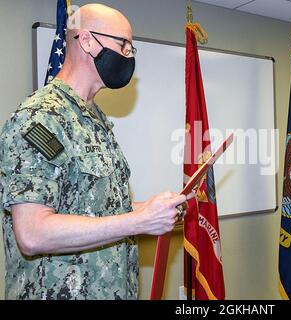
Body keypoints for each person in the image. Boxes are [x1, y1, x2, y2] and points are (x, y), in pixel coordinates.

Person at [0, 4, 192, 300]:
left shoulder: (94, 118)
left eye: (131, 48)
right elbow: (32, 233)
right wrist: (139, 221)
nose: (129, 55)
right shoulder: (40, 117)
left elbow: (102, 210)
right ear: (87, 41)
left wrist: (153, 209)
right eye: (123, 45)